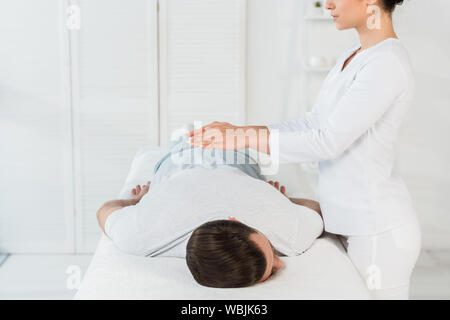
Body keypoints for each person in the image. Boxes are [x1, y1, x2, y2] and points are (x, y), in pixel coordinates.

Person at [187, 0, 421, 299]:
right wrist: (239, 131)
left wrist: (243, 138)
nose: (328, 4)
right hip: (348, 222)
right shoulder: (354, 56)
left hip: (376, 230)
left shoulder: (387, 63)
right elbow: (312, 123)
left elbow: (328, 141)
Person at [96, 134, 324, 288]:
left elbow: (104, 209)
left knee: (191, 139)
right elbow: (316, 209)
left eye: (271, 266)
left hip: (183, 161)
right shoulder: (290, 235)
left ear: (235, 220)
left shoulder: (140, 236)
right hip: (234, 160)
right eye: (274, 261)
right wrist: (285, 200)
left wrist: (135, 201)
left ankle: (192, 135)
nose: (281, 263)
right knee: (211, 136)